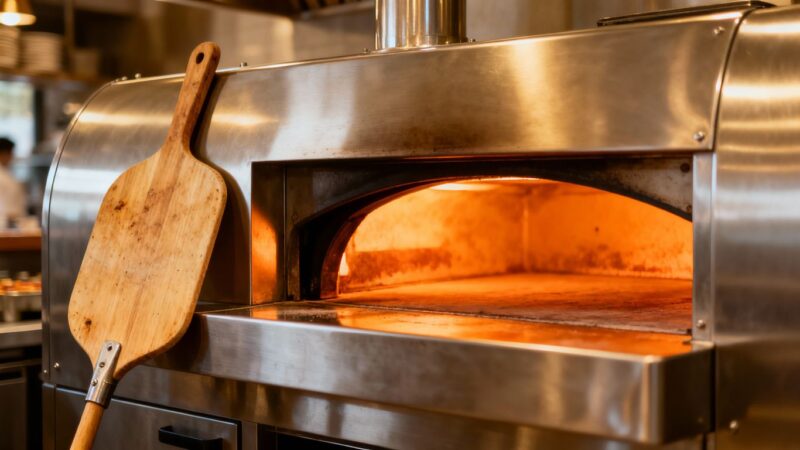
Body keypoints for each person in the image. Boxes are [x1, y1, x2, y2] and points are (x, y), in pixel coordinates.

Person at [0, 137, 26, 228]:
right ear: (3, 154)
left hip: (11, 223)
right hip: (6, 225)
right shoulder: (2, 176)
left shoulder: (6, 173)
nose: (12, 156)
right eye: (11, 153)